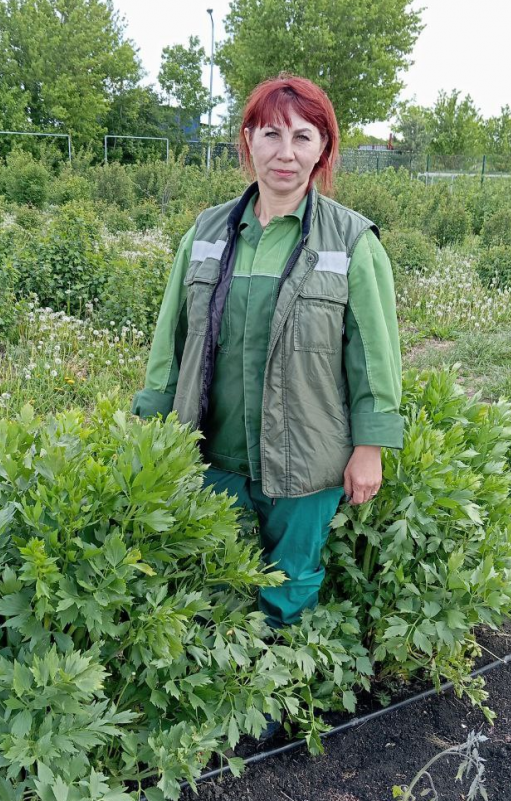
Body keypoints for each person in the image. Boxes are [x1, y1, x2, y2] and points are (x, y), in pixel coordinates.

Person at [132, 73, 403, 631]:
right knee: (212, 577)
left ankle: (278, 667)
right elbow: (171, 339)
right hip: (212, 450)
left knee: (292, 578)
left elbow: (375, 354)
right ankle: (223, 671)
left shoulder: (351, 240)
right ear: (247, 140)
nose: (286, 153)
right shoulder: (206, 232)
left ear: (323, 149)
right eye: (272, 134)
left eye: (303, 137)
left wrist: (370, 446)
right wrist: (153, 425)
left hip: (308, 456)